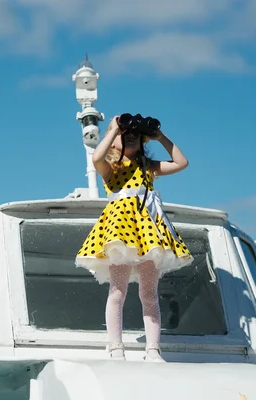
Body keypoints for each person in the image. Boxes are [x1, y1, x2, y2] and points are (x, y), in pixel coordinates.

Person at [75, 115, 193, 362]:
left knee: (149, 293)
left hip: (146, 232)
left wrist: (159, 136)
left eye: (134, 134)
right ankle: (116, 347)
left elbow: (181, 163)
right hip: (121, 232)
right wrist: (115, 129)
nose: (129, 136)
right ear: (113, 139)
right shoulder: (111, 168)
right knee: (118, 291)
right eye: (123, 134)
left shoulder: (148, 167)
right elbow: (97, 157)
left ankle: (153, 348)